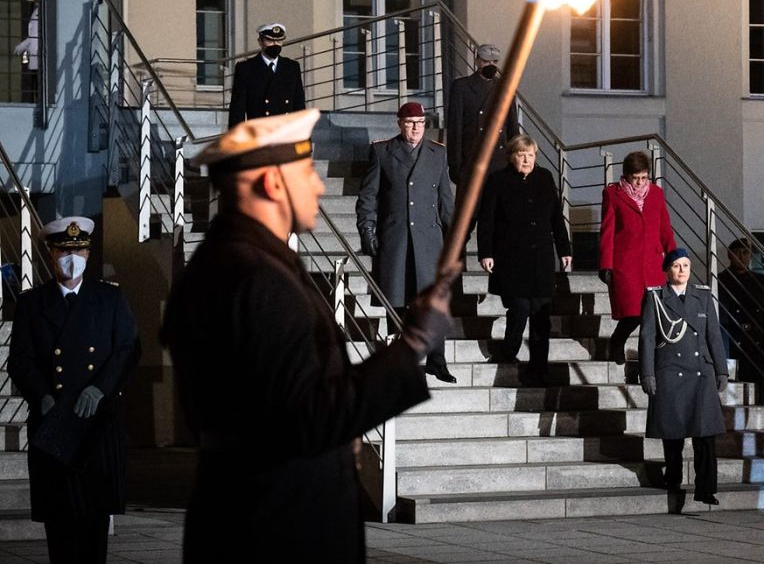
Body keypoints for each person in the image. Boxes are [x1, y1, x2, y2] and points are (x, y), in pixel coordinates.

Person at [160, 109, 455, 562]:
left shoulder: (248, 262)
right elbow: (307, 419)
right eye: (306, 172)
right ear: (272, 183)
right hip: (276, 526)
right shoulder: (252, 276)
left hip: (264, 512)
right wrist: (413, 345)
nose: (318, 186)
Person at [9, 216, 140, 564]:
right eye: (64, 250)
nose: (72, 256)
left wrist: (100, 389)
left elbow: (127, 349)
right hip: (54, 426)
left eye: (79, 249)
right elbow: (20, 361)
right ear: (51, 254)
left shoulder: (109, 298)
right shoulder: (31, 304)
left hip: (96, 425)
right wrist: (43, 395)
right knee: (60, 525)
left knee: (95, 523)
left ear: (88, 251)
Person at [356, 102, 457, 383]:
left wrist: (455, 239)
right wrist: (367, 231)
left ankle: (437, 361)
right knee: (396, 300)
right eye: (411, 122)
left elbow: (445, 201)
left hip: (429, 239)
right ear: (399, 123)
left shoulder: (438, 153)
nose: (416, 128)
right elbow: (368, 197)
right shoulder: (382, 151)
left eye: (421, 122)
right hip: (395, 236)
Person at [477, 133, 572, 385]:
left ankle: (539, 367)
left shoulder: (545, 178)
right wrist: (485, 252)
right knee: (519, 306)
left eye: (531, 155)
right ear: (512, 157)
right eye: (522, 155)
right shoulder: (498, 180)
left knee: (541, 313)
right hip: (510, 257)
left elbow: (556, 217)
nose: (527, 160)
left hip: (540, 256)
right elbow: (486, 220)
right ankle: (509, 351)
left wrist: (564, 249)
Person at [639, 247, 728, 505]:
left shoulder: (702, 297)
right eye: (677, 266)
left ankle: (706, 488)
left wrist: (721, 370)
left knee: (706, 435)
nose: (682, 270)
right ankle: (673, 477)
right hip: (670, 371)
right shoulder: (656, 298)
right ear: (667, 270)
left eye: (686, 266)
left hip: (701, 373)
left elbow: (714, 335)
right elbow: (647, 338)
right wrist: (647, 374)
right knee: (673, 432)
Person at [598, 151, 676, 365]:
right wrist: (606, 263)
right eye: (636, 178)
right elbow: (607, 231)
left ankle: (648, 361)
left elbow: (665, 228)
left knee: (653, 315)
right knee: (633, 313)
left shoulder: (657, 194)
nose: (640, 182)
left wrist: (674, 257)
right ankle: (617, 340)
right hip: (625, 264)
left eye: (644, 177)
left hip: (653, 264)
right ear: (626, 175)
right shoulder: (612, 194)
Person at [445, 43, 520, 186]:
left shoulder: (505, 87)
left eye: (494, 62)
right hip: (472, 159)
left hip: (500, 160)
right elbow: (455, 128)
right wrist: (455, 165)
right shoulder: (462, 86)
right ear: (477, 60)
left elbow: (512, 126)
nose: (490, 65)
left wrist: (515, 157)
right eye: (486, 61)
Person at [718, 237, 764, 401]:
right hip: (730, 336)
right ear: (729, 255)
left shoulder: (760, 281)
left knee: (754, 379)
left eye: (746, 252)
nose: (742, 256)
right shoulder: (720, 280)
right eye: (737, 252)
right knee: (731, 380)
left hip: (754, 339)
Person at [227, 22, 306, 127]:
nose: (275, 44)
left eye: (278, 41)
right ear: (260, 41)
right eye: (270, 40)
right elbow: (237, 110)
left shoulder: (291, 67)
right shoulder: (246, 68)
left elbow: (299, 107)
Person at [13, 0, 39, 102]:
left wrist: (22, 46)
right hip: (33, 53)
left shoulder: (40, 11)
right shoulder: (36, 10)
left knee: (37, 82)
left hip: (37, 54)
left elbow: (34, 36)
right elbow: (32, 36)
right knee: (34, 81)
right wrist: (22, 46)